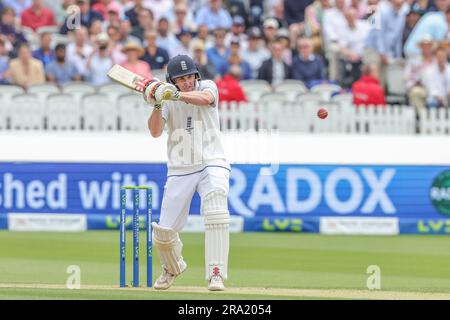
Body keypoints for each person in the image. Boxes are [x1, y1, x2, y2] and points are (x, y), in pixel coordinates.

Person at [144, 54, 231, 291]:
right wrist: (158, 102)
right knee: (163, 233)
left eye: (190, 76)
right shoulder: (167, 98)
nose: (187, 81)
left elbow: (205, 99)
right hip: (180, 168)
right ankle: (172, 267)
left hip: (212, 160)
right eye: (181, 79)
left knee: (216, 210)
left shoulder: (207, 86)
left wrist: (175, 94)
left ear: (196, 75)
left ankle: (216, 274)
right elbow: (154, 131)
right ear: (172, 80)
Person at [404, 34, 435, 111]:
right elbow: (406, 76)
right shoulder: (413, 61)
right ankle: (423, 118)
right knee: (416, 92)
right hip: (419, 88)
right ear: (421, 47)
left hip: (434, 89)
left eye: (428, 45)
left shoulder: (436, 61)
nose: (426, 48)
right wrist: (414, 83)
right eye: (424, 45)